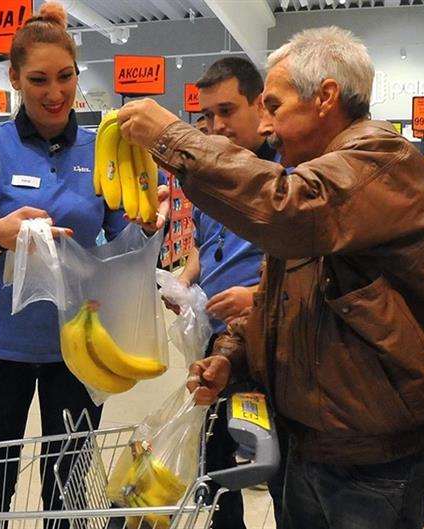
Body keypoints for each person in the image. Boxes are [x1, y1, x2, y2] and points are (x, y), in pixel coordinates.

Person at [117, 26, 424, 529]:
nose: (266, 124)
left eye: (274, 107)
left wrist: (173, 137)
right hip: (311, 443)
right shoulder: (321, 177)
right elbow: (283, 299)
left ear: (325, 97)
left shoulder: (378, 163)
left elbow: (285, 209)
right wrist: (230, 357)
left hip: (371, 461)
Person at [0, 3, 168, 527]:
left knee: (67, 482)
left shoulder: (101, 150)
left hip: (79, 341)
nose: (54, 93)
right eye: (39, 79)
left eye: (65, 77)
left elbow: (118, 241)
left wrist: (147, 223)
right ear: (15, 79)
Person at [170, 57, 276, 529]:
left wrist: (255, 297)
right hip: (216, 344)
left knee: (272, 463)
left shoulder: (285, 181)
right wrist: (184, 280)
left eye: (228, 111)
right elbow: (201, 245)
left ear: (261, 106)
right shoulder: (212, 179)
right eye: (208, 115)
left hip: (265, 346)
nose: (217, 126)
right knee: (212, 468)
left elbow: (311, 270)